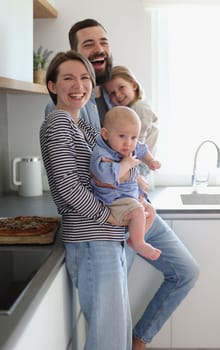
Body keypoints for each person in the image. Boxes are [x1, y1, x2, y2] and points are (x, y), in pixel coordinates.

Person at [45, 19, 199, 350]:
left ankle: (138, 339)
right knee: (108, 324)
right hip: (104, 222)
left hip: (128, 211)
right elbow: (73, 179)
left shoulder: (119, 98)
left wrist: (140, 190)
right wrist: (111, 215)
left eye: (103, 41)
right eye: (88, 45)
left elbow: (129, 153)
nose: (98, 49)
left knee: (183, 273)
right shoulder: (68, 111)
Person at [40, 50, 132, 350]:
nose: (77, 85)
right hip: (92, 238)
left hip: (104, 237)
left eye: (84, 78)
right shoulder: (59, 122)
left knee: (115, 332)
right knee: (109, 337)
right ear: (52, 86)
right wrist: (109, 216)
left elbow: (112, 165)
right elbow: (67, 186)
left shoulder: (84, 127)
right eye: (67, 78)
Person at [90, 105, 161, 260]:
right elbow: (106, 177)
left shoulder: (129, 147)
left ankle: (135, 240)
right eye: (122, 136)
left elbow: (142, 149)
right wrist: (126, 164)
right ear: (106, 134)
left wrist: (150, 161)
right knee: (137, 212)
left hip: (129, 198)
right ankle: (140, 243)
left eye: (133, 137)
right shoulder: (101, 154)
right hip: (113, 201)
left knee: (151, 211)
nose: (128, 143)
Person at [104, 65, 159, 156]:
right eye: (112, 93)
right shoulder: (129, 110)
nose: (118, 95)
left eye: (121, 87)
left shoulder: (139, 108)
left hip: (141, 164)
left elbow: (138, 142)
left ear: (134, 85)